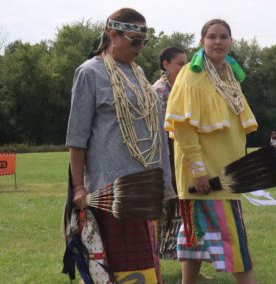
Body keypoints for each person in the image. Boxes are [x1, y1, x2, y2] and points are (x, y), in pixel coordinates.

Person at [65, 8, 174, 283]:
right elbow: (77, 138)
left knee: (146, 268)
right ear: (113, 35)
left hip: (143, 188)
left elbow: (157, 135)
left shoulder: (139, 76)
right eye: (134, 41)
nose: (139, 48)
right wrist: (79, 187)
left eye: (143, 42)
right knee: (113, 271)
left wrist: (165, 184)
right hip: (109, 191)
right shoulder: (90, 72)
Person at [165, 19, 258, 284]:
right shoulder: (191, 77)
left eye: (224, 37)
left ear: (231, 41)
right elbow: (183, 129)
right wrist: (199, 171)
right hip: (206, 177)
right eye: (212, 37)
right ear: (202, 41)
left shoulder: (228, 75)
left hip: (227, 171)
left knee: (194, 241)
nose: (218, 42)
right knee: (234, 243)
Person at [152, 47, 187, 260]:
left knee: (182, 215)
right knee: (161, 213)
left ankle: (187, 265)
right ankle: (153, 264)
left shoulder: (182, 88)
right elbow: (157, 135)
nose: (185, 68)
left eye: (186, 64)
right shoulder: (158, 92)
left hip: (180, 159)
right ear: (166, 65)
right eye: (180, 64)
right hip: (164, 161)